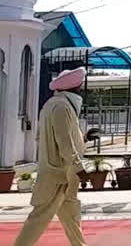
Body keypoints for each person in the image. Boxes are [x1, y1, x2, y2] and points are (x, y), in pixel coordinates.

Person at [15, 67, 99, 246]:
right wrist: (79, 168)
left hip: (64, 175)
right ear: (74, 87)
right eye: (80, 84)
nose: (82, 87)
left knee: (71, 218)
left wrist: (84, 138)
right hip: (58, 175)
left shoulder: (53, 105)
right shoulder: (61, 106)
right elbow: (64, 142)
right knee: (38, 219)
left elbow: (52, 138)